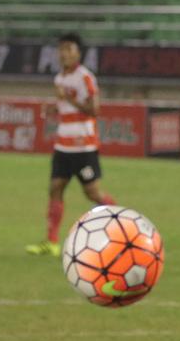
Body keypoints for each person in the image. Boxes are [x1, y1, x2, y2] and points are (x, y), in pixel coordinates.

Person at [26, 33, 115, 257]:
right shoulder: (59, 79)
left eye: (69, 49)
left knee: (93, 193)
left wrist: (67, 98)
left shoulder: (85, 78)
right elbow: (66, 108)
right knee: (55, 188)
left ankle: (121, 225)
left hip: (83, 146)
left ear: (78, 53)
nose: (64, 53)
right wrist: (54, 108)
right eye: (61, 49)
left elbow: (94, 110)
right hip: (63, 145)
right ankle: (52, 242)